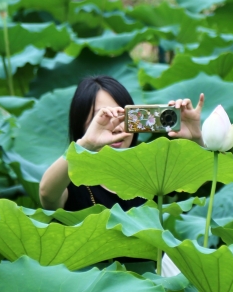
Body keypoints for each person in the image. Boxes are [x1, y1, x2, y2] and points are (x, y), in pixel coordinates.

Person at [39, 75, 206, 212]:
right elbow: (46, 194)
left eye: (123, 116)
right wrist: (87, 143)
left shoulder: (150, 174)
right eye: (105, 116)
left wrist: (195, 138)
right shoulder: (68, 181)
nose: (117, 128)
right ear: (81, 123)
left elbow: (202, 176)